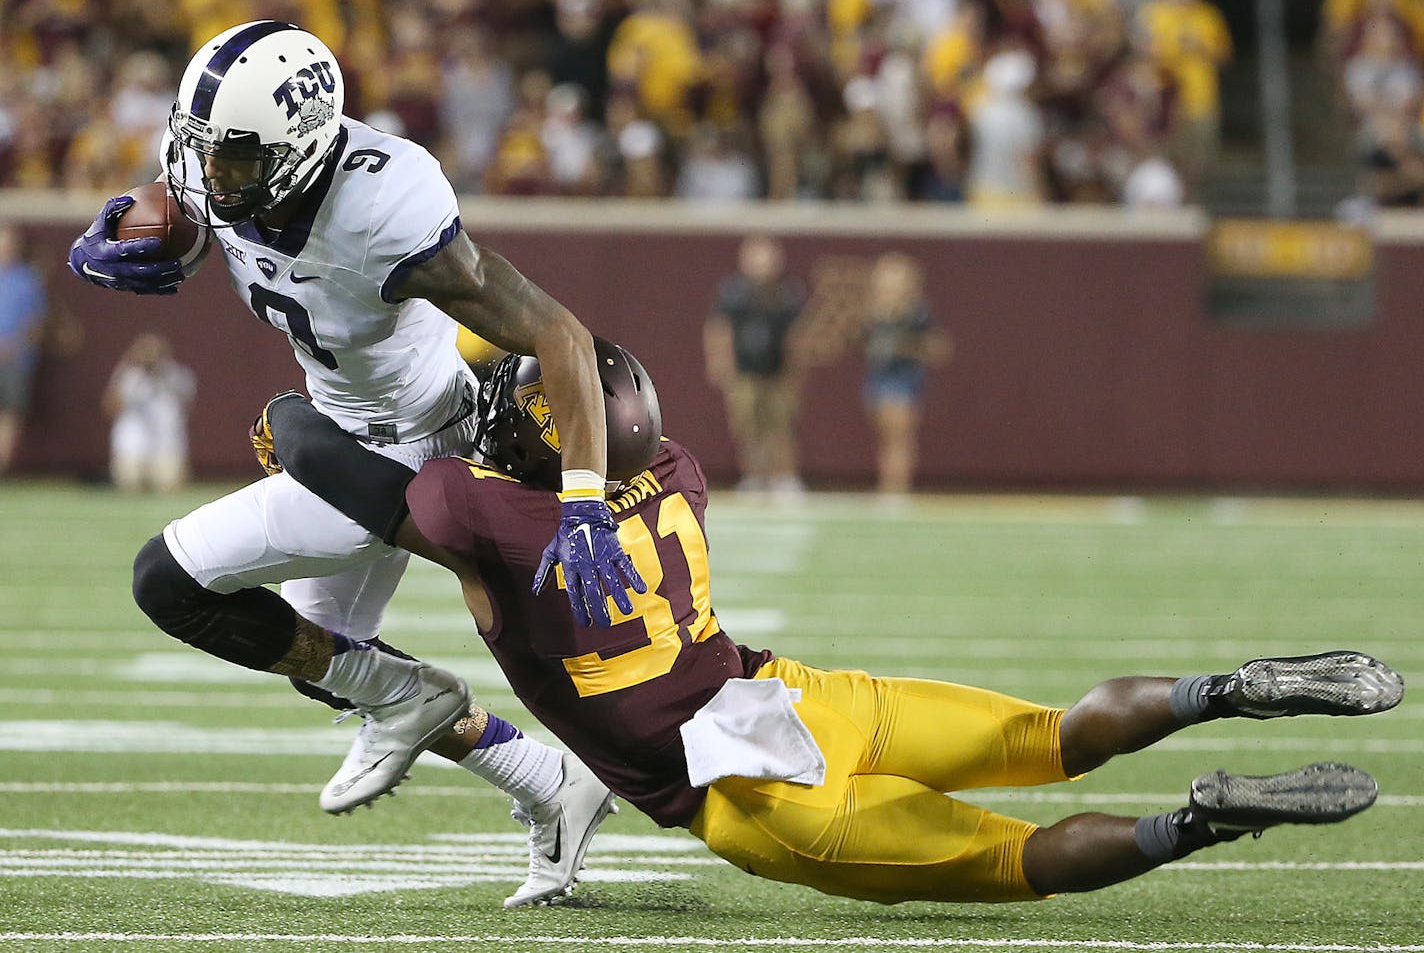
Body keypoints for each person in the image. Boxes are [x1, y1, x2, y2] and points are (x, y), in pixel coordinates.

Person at [260, 341, 1404, 908]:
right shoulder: (674, 466)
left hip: (744, 798)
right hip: (792, 696)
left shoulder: (478, 516)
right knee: (1051, 735)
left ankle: (1198, 824)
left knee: (1019, 860)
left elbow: (321, 458)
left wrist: (284, 413)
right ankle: (1227, 692)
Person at [65, 20, 642, 906]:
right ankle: (549, 784)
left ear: (298, 149)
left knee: (167, 583)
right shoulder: (222, 154)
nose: (210, 176)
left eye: (234, 161)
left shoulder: (381, 208)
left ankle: (419, 704)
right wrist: (144, 234)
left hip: (412, 450)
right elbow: (189, 206)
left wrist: (585, 500)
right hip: (340, 436)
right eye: (202, 153)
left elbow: (559, 333)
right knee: (325, 660)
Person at [704, 235, 806, 494]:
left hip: (777, 369)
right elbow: (719, 327)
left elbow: (798, 334)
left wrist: (796, 367)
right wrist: (720, 361)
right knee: (747, 425)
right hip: (744, 370)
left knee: (780, 423)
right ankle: (754, 475)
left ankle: (784, 476)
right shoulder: (733, 292)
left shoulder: (786, 293)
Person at [862, 253, 952, 497]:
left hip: (903, 379)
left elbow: (938, 348)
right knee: (886, 436)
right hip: (879, 378)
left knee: (899, 436)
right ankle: (888, 485)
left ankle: (897, 488)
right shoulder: (873, 314)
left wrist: (906, 346)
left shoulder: (915, 314)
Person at [102, 331, 197, 494]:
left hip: (166, 442)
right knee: (129, 481)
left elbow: (187, 405)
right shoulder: (128, 375)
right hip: (133, 442)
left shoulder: (176, 375)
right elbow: (110, 407)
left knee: (169, 484)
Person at [0, 223, 47, 477]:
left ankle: (2, 469)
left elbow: (35, 321)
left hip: (16, 358)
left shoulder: (27, 280)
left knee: (10, 414)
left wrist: (15, 345)